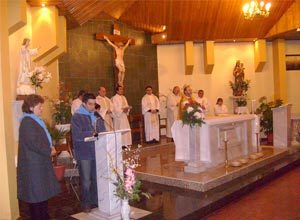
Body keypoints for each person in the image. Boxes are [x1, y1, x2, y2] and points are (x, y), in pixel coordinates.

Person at [17, 94, 60, 220]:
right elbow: (33, 143)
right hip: (33, 166)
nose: (41, 109)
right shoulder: (27, 122)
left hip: (39, 164)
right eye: (39, 106)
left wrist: (50, 147)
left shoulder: (34, 120)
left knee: (41, 195)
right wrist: (49, 150)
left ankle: (44, 216)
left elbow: (39, 140)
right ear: (31, 107)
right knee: (36, 197)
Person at [71, 93, 105, 212]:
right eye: (90, 104)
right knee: (86, 180)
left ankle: (96, 201)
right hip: (84, 152)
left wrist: (101, 132)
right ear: (84, 104)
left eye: (94, 104)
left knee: (96, 178)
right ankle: (86, 203)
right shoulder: (77, 116)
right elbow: (76, 135)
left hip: (97, 150)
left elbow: (103, 130)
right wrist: (91, 133)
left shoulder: (96, 115)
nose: (92, 106)